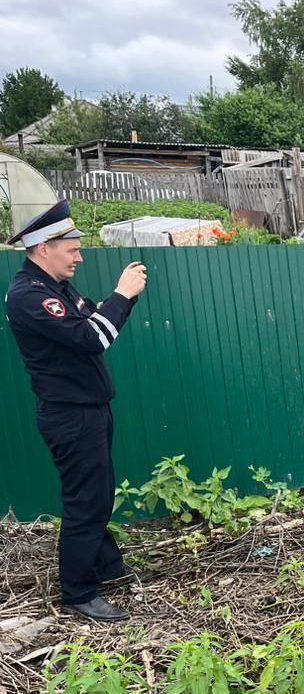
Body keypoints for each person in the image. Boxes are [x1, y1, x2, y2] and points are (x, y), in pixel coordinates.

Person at [5, 200, 147, 621]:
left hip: (89, 408)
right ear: (43, 247)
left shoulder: (55, 289)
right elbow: (91, 338)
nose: (80, 257)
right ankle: (79, 592)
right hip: (70, 415)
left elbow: (96, 322)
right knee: (86, 500)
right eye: (73, 249)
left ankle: (107, 567)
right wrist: (121, 295)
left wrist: (121, 303)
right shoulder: (30, 296)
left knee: (99, 493)